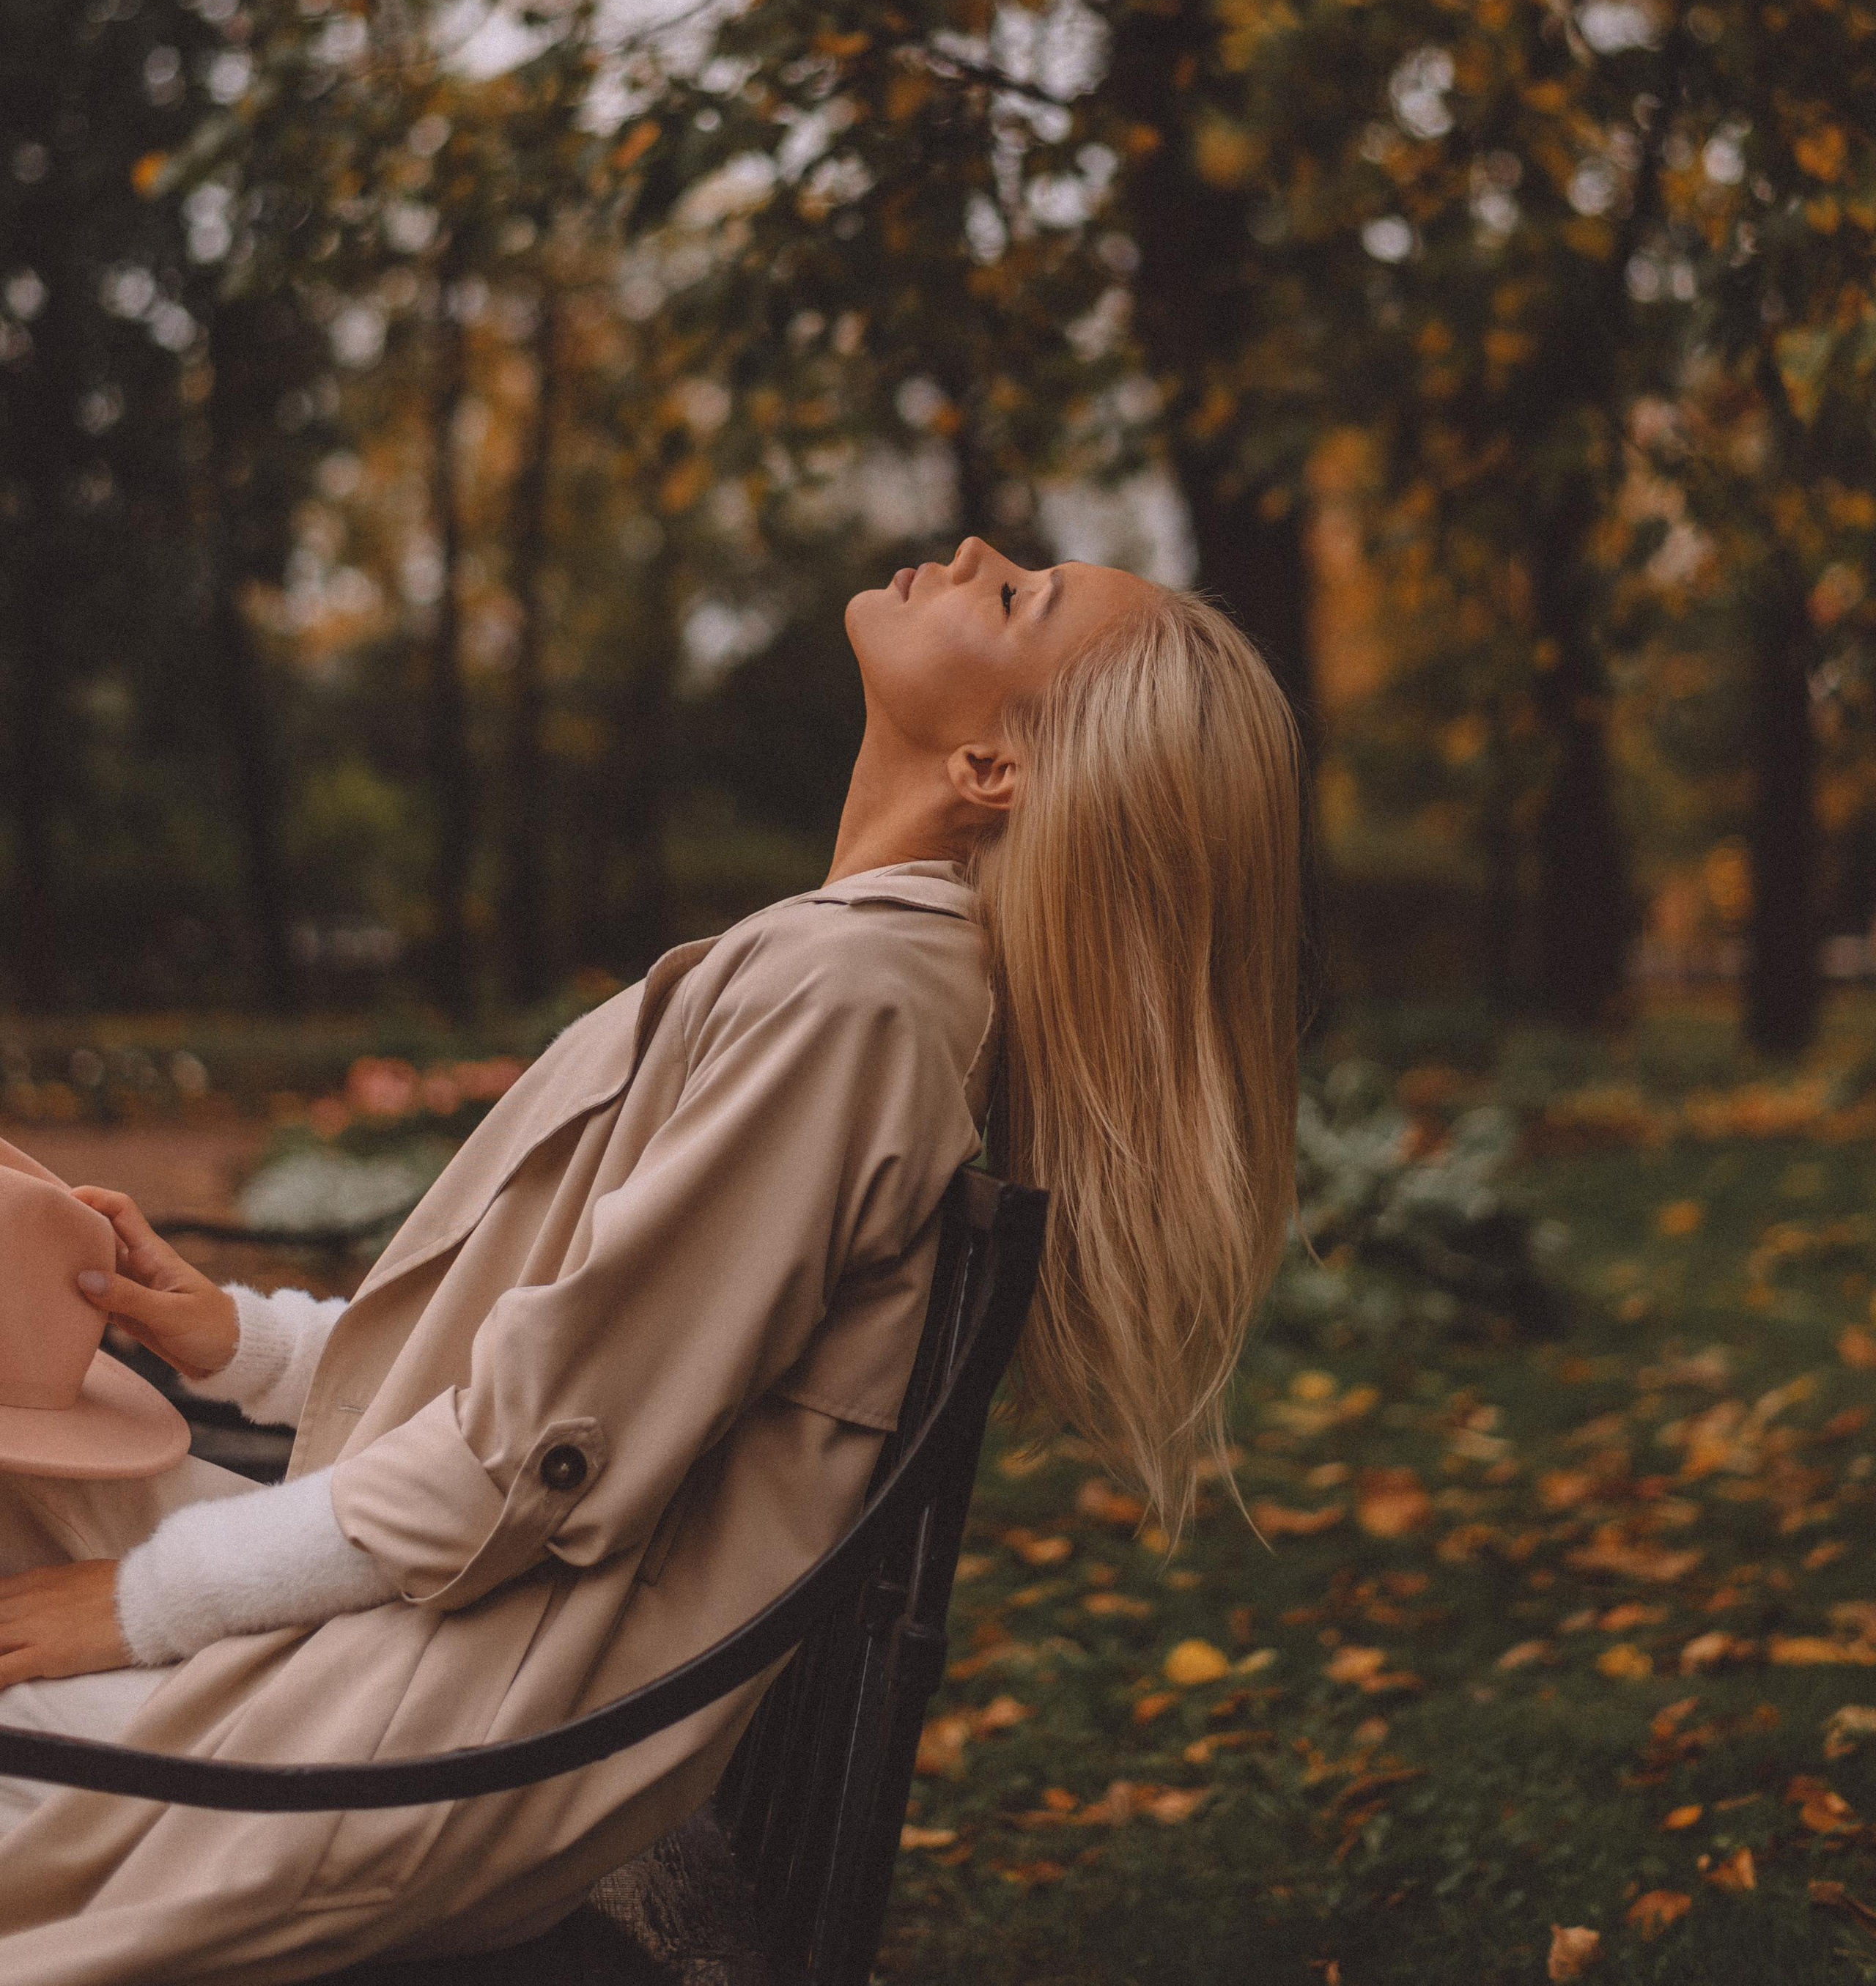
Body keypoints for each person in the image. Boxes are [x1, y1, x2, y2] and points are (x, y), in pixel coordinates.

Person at [0, 537, 1301, 1985]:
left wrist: (145, 1605)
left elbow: (539, 1451)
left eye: (1016, 599)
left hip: (415, 1734)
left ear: (992, 768)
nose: (977, 553)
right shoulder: (844, 967)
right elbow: (583, 1367)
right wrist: (243, 1341)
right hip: (436, 1652)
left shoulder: (853, 1006)